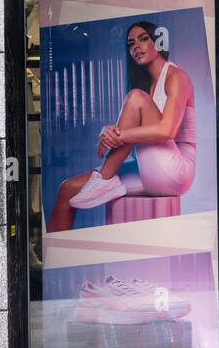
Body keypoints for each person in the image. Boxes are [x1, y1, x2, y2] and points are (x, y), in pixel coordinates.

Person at [48, 20, 196, 232]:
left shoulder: (176, 76)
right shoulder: (148, 83)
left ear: (158, 42)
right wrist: (112, 132)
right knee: (67, 189)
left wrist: (119, 135)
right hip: (151, 168)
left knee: (136, 97)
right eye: (131, 43)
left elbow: (167, 131)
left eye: (143, 39)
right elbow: (134, 130)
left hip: (177, 170)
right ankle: (57, 259)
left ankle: (105, 179)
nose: (136, 47)